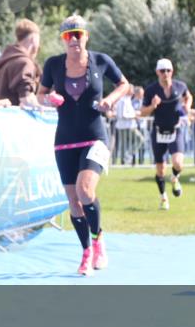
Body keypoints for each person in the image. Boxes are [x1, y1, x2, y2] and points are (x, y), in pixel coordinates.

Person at [36, 15, 130, 275]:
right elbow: (40, 94)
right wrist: (49, 99)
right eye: (68, 35)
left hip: (95, 137)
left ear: (86, 36)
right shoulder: (54, 64)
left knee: (85, 189)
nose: (74, 39)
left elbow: (124, 84)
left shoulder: (101, 61)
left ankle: (99, 240)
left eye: (78, 34)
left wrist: (110, 100)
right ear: (63, 40)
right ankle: (86, 252)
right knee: (73, 201)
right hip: (65, 141)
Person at [139, 58, 192, 211]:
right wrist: (152, 106)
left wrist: (187, 106)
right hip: (158, 131)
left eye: (168, 70)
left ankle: (175, 177)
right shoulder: (150, 90)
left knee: (178, 163)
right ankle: (163, 197)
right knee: (161, 170)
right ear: (157, 72)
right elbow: (142, 113)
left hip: (176, 129)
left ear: (172, 71)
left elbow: (188, 96)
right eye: (162, 71)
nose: (166, 74)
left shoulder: (180, 86)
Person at [0, 18, 41, 107]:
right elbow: (26, 98)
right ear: (33, 39)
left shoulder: (5, 60)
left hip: (0, 116)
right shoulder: (24, 63)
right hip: (16, 118)